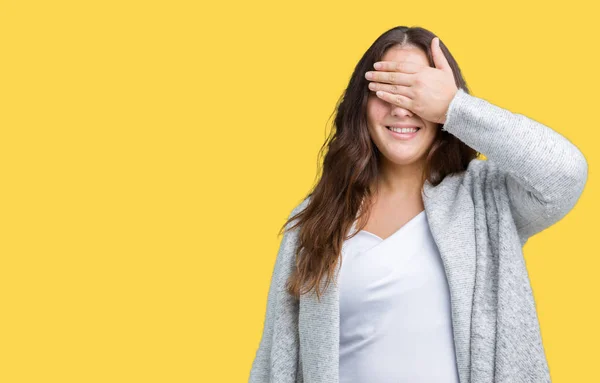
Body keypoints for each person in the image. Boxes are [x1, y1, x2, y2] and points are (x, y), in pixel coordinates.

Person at [248, 26, 588, 383]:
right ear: (360, 104)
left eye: (417, 92)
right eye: (387, 90)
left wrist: (457, 108)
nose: (402, 108)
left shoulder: (487, 200)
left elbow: (565, 173)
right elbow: (276, 362)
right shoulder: (316, 220)